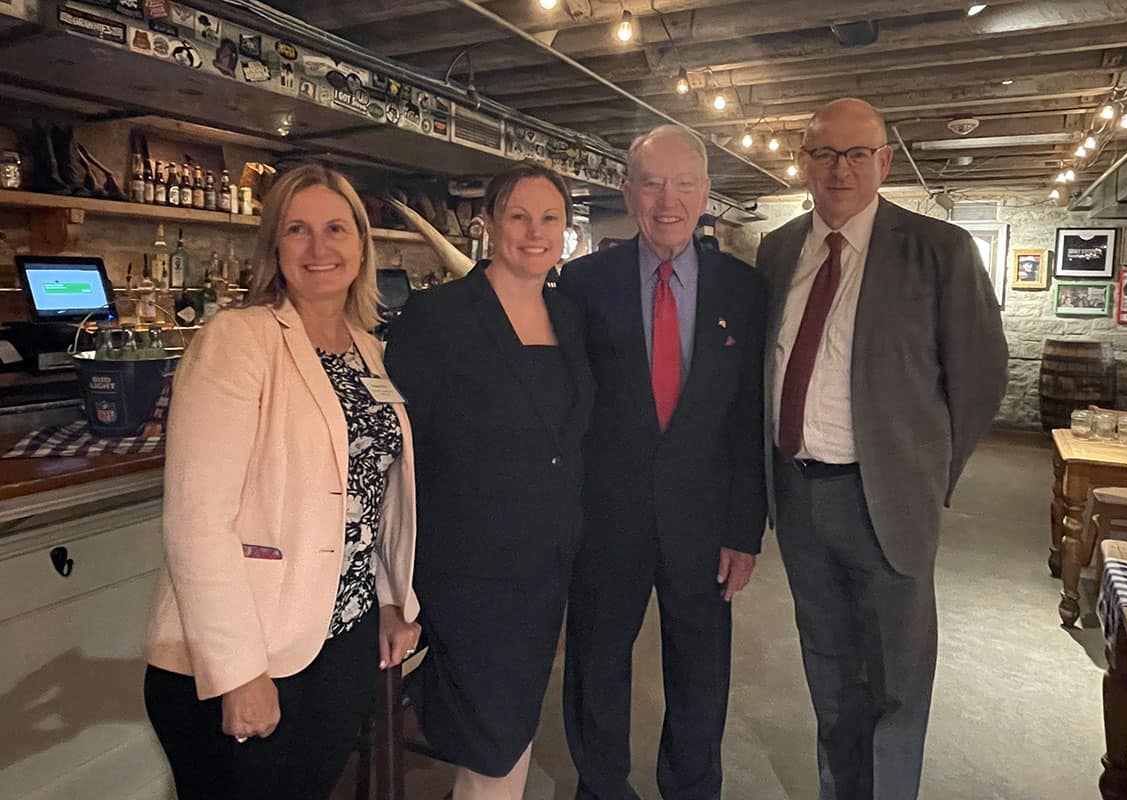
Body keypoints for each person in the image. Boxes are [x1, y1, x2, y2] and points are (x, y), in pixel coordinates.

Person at [143, 163, 421, 800]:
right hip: (249, 651)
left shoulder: (367, 349)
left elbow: (368, 498)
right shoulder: (236, 341)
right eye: (297, 230)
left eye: (336, 229)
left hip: (340, 642)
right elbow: (196, 519)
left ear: (361, 245)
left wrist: (385, 598)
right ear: (273, 246)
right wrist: (238, 672)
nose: (319, 248)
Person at [757, 98, 1008, 800]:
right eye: (824, 154)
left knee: (898, 680)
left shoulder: (939, 250)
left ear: (884, 162)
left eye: (856, 154)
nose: (840, 170)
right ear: (803, 162)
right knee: (831, 672)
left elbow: (982, 378)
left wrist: (929, 478)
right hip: (800, 499)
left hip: (888, 503)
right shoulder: (778, 251)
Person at [557, 125, 767, 800]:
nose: (666, 200)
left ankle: (692, 788)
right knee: (595, 667)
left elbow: (747, 420)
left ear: (707, 194)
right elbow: (566, 409)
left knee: (701, 674)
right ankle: (601, 787)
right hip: (606, 520)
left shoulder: (743, 291)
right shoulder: (584, 284)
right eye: (650, 182)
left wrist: (744, 530)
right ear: (628, 191)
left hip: (703, 525)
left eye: (683, 183)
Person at [385, 163, 594, 799]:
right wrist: (393, 580)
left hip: (546, 560)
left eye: (549, 219)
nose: (535, 232)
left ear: (565, 231)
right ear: (489, 226)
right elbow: (399, 454)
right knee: (491, 728)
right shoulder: (438, 317)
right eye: (519, 217)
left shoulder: (570, 315)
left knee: (516, 716)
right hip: (468, 566)